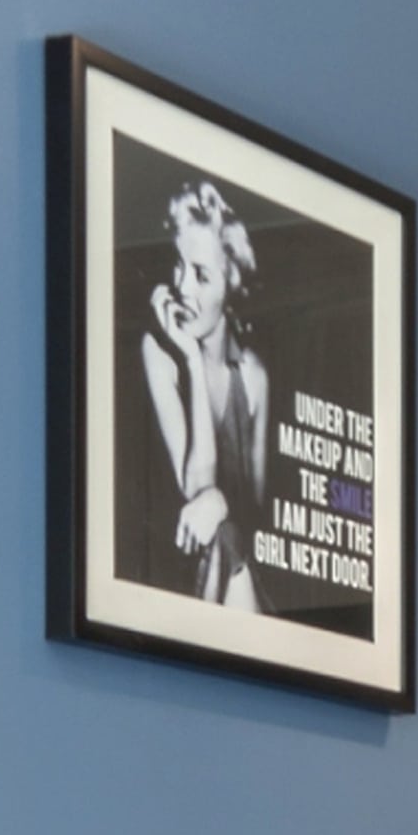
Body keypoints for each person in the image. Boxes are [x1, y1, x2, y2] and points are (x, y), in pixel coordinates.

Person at [138, 177, 269, 606]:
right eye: (178, 265)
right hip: (175, 573)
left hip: (238, 571)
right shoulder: (158, 353)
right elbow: (195, 485)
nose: (182, 288)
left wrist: (222, 504)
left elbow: (259, 515)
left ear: (230, 286)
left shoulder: (253, 377)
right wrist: (192, 362)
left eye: (201, 275)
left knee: (228, 536)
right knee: (221, 536)